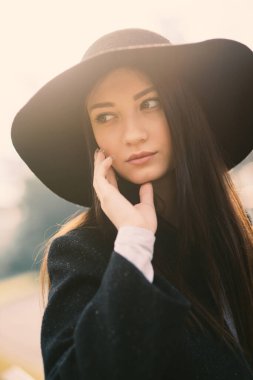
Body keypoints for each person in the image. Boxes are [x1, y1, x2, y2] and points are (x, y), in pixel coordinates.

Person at [11, 28, 253, 379]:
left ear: (182, 108)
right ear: (91, 137)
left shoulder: (237, 237)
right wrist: (135, 244)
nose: (133, 133)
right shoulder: (85, 253)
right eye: (105, 116)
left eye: (150, 103)